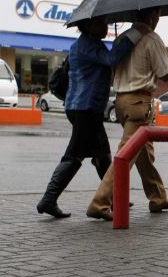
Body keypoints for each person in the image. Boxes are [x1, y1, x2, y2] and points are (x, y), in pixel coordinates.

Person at [36, 17, 145, 218]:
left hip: (87, 107)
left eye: (105, 22)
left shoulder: (91, 43)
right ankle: (48, 200)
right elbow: (111, 60)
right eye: (100, 23)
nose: (105, 26)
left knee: (102, 154)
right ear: (88, 26)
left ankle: (111, 198)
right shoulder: (86, 45)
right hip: (84, 107)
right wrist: (134, 35)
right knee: (75, 155)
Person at [87, 8, 168, 221]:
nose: (157, 20)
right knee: (126, 155)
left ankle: (158, 198)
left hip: (121, 101)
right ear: (151, 17)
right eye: (157, 16)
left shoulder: (121, 39)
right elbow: (164, 74)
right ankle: (99, 203)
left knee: (143, 152)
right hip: (140, 101)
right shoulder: (152, 39)